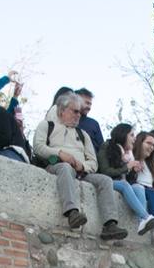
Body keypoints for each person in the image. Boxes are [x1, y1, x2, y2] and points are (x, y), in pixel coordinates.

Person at [33, 92, 128, 241]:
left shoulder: (83, 134)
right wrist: (60, 153)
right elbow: (38, 147)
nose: (79, 115)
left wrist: (82, 166)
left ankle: (110, 225)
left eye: (79, 111)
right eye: (75, 111)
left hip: (81, 172)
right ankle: (72, 213)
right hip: (56, 166)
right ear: (62, 110)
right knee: (65, 167)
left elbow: (93, 162)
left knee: (105, 180)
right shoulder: (47, 125)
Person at [98, 122, 154, 238]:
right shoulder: (108, 146)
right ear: (123, 134)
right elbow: (106, 171)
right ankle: (146, 217)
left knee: (138, 187)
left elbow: (129, 178)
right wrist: (127, 167)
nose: (134, 139)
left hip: (122, 182)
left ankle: (142, 222)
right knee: (125, 185)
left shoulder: (128, 153)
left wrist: (133, 171)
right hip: (107, 181)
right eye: (132, 135)